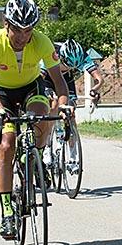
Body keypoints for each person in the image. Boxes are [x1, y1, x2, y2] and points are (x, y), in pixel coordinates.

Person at [0, 0, 69, 239]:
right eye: (17, 30)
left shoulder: (42, 42)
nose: (22, 36)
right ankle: (7, 210)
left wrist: (63, 106)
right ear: (6, 24)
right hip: (3, 93)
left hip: (32, 87)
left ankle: (36, 156)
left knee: (41, 116)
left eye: (28, 30)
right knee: (7, 143)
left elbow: (59, 83)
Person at [41, 38, 104, 170]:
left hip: (66, 79)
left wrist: (94, 90)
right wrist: (45, 92)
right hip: (48, 77)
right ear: (60, 57)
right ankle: (47, 146)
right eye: (67, 64)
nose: (70, 67)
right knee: (53, 104)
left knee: (70, 112)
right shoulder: (51, 53)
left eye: (73, 66)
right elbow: (39, 78)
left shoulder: (80, 55)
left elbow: (99, 79)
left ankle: (73, 155)